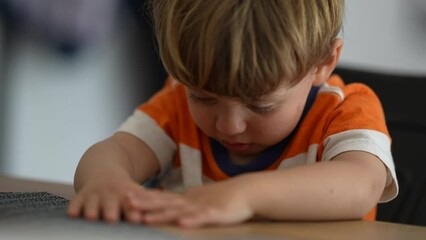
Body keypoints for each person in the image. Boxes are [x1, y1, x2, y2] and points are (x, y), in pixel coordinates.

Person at [68, 0, 398, 228]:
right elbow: (117, 151)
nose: (229, 125)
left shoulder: (345, 110)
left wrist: (243, 196)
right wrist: (104, 181)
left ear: (323, 63)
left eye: (261, 106)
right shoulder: (176, 104)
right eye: (203, 98)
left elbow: (361, 185)